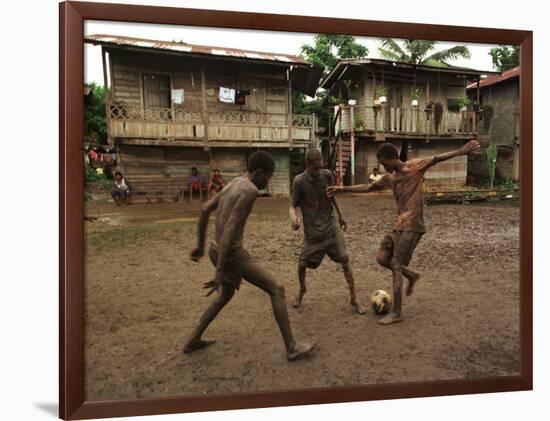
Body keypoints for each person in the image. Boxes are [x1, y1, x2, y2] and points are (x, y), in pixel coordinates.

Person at [328, 140, 481, 325]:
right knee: (382, 258)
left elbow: (437, 158)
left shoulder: (414, 167)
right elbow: (368, 187)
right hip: (399, 225)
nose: (384, 167)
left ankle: (397, 312)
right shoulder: (389, 178)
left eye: (385, 163)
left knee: (396, 263)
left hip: (413, 225)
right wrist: (341, 188)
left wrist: (462, 151)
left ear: (394, 158)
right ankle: (411, 276)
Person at [184, 151, 317, 361]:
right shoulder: (250, 190)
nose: (268, 181)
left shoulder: (235, 182)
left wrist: (200, 246)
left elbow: (205, 209)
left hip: (215, 249)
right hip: (231, 254)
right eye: (268, 176)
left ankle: (193, 340)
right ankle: (292, 347)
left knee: (225, 296)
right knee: (276, 289)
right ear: (259, 172)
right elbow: (229, 229)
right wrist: (219, 270)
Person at [289, 148, 366, 314]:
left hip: (331, 229)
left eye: (321, 166)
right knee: (302, 264)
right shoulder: (299, 182)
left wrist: (340, 215)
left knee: (345, 259)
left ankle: (354, 298)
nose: (319, 171)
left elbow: (331, 196)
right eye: (315, 168)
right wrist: (294, 219)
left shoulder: (327, 175)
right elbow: (292, 206)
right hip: (313, 235)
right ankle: (302, 290)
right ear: (307, 165)